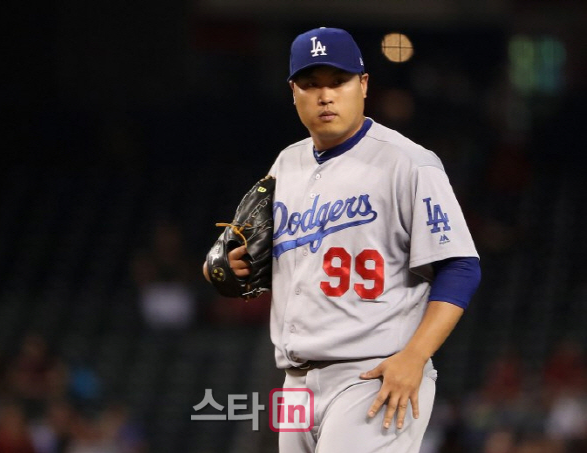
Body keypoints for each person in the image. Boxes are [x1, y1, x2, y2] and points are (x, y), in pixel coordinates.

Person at [203, 27, 481, 453]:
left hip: (373, 372)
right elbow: (260, 257)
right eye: (311, 84)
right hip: (295, 381)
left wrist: (414, 357)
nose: (325, 96)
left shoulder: (409, 163)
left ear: (363, 85)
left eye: (338, 81)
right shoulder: (287, 163)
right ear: (293, 92)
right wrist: (225, 266)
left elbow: (460, 266)